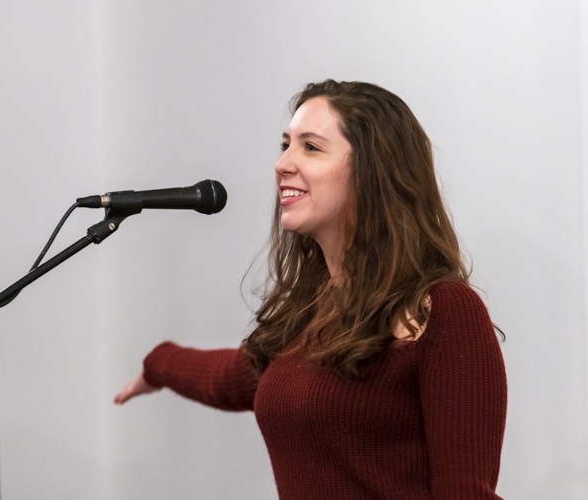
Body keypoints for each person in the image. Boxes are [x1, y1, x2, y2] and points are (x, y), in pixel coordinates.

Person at [115, 79, 507, 499]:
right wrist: (159, 363)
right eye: (285, 144)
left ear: (375, 172)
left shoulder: (443, 309)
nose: (282, 163)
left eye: (311, 147)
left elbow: (466, 492)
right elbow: (231, 378)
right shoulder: (309, 312)